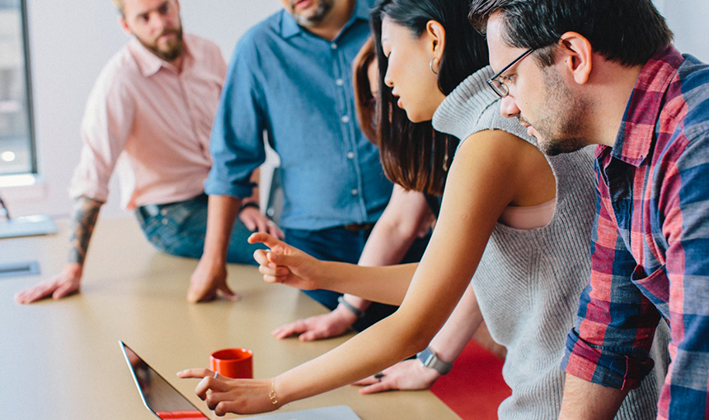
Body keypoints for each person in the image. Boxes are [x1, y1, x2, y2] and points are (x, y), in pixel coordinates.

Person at [176, 0, 667, 417]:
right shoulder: (500, 125)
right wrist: (323, 273)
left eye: (391, 54)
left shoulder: (492, 139)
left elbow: (413, 324)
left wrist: (273, 390)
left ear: (434, 40)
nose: (386, 77)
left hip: (571, 402)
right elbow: (451, 278)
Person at [467, 1, 709, 419]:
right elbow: (608, 332)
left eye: (510, 79)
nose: (507, 106)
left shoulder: (696, 144)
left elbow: (700, 378)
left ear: (574, 56)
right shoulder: (619, 152)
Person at [14, 0, 278, 304]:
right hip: (171, 214)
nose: (159, 22)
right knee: (277, 250)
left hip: (225, 197)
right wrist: (72, 269)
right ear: (126, 26)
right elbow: (93, 176)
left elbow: (239, 137)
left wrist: (248, 203)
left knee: (299, 236)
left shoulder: (209, 53)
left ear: (177, 6)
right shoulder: (119, 81)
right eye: (144, 17)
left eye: (164, 9)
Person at [187, 0, 399, 328]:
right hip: (313, 245)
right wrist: (213, 260)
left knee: (408, 363)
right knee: (324, 362)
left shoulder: (393, 18)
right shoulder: (257, 49)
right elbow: (232, 161)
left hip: (406, 231)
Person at [271, 37, 439, 341]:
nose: (389, 110)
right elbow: (399, 223)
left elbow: (464, 280)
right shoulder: (424, 147)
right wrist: (345, 311)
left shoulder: (474, 141)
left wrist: (431, 362)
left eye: (391, 92)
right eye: (376, 99)